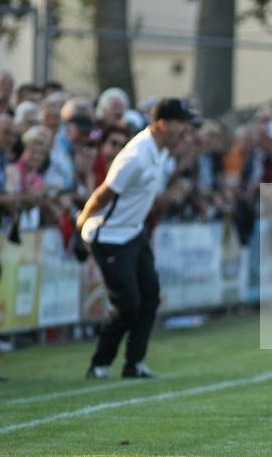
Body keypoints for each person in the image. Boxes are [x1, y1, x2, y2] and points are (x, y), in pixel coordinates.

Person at [76, 97, 195, 380]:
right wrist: (82, 221)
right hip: (109, 235)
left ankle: (134, 364)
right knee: (127, 303)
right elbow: (105, 193)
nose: (186, 131)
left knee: (150, 295)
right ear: (163, 124)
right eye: (181, 124)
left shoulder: (161, 150)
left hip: (133, 232)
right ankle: (99, 365)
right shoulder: (137, 156)